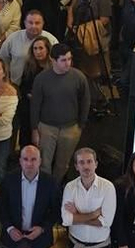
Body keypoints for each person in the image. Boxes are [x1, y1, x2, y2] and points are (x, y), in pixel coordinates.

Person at [30, 44, 90, 182]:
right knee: (44, 163)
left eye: (69, 59)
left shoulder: (79, 77)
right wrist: (34, 129)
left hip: (70, 128)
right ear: (53, 60)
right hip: (46, 127)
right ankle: (45, 189)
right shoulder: (41, 79)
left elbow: (85, 101)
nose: (67, 63)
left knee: (62, 165)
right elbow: (35, 106)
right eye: (63, 60)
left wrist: (81, 125)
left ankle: (56, 188)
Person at [0, 10, 58, 85]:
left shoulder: (52, 40)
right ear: (25, 23)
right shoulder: (13, 38)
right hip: (15, 84)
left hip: (46, 86)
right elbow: (3, 60)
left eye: (37, 23)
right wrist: (6, 81)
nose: (33, 26)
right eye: (30, 22)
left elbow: (58, 63)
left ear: (43, 23)